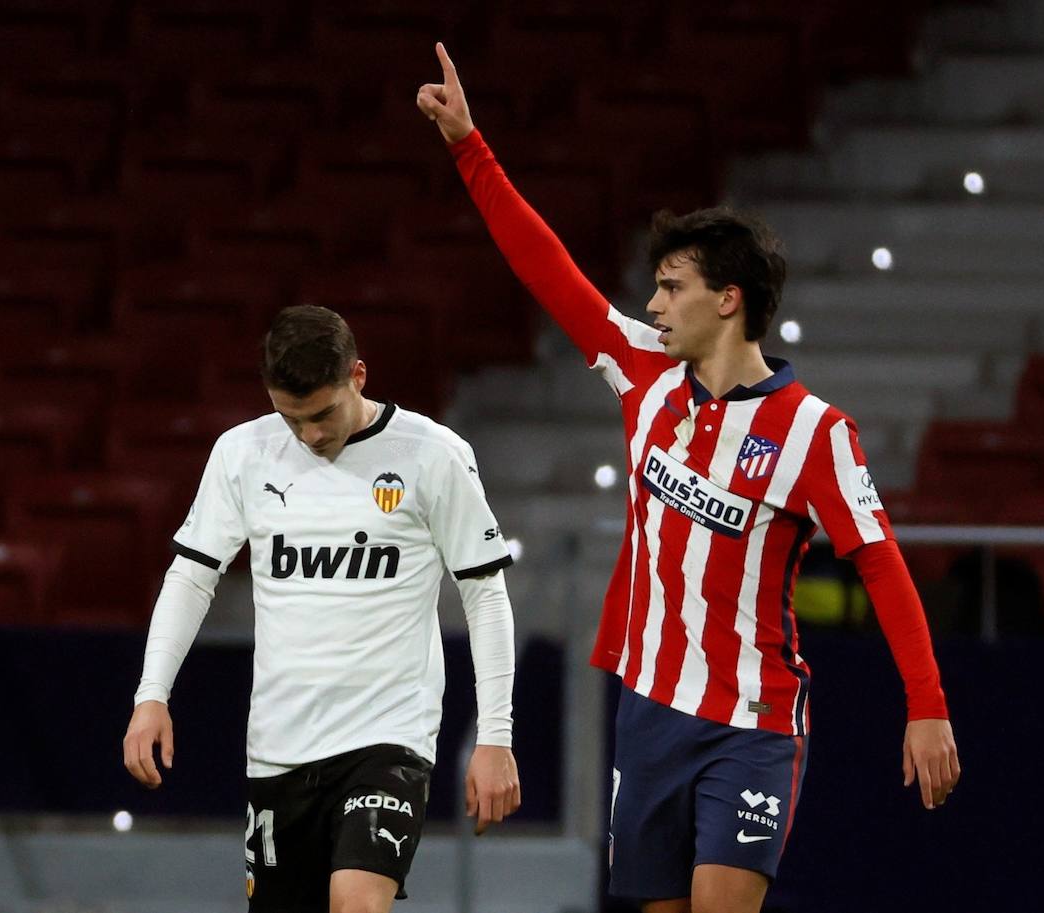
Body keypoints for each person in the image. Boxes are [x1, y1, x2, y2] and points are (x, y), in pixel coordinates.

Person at [417, 44, 960, 913]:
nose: (655, 305)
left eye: (672, 287)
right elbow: (545, 268)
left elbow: (882, 562)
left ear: (729, 298)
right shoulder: (642, 373)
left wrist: (925, 704)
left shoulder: (814, 431)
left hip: (751, 722)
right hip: (648, 710)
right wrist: (468, 146)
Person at [122, 305, 522, 913]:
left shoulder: (432, 454)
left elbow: (485, 593)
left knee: (357, 904)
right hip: (278, 744)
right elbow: (192, 576)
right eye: (291, 418)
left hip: (389, 736)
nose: (309, 435)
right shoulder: (242, 454)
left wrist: (495, 734)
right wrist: (152, 694)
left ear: (358, 375)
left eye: (322, 414)